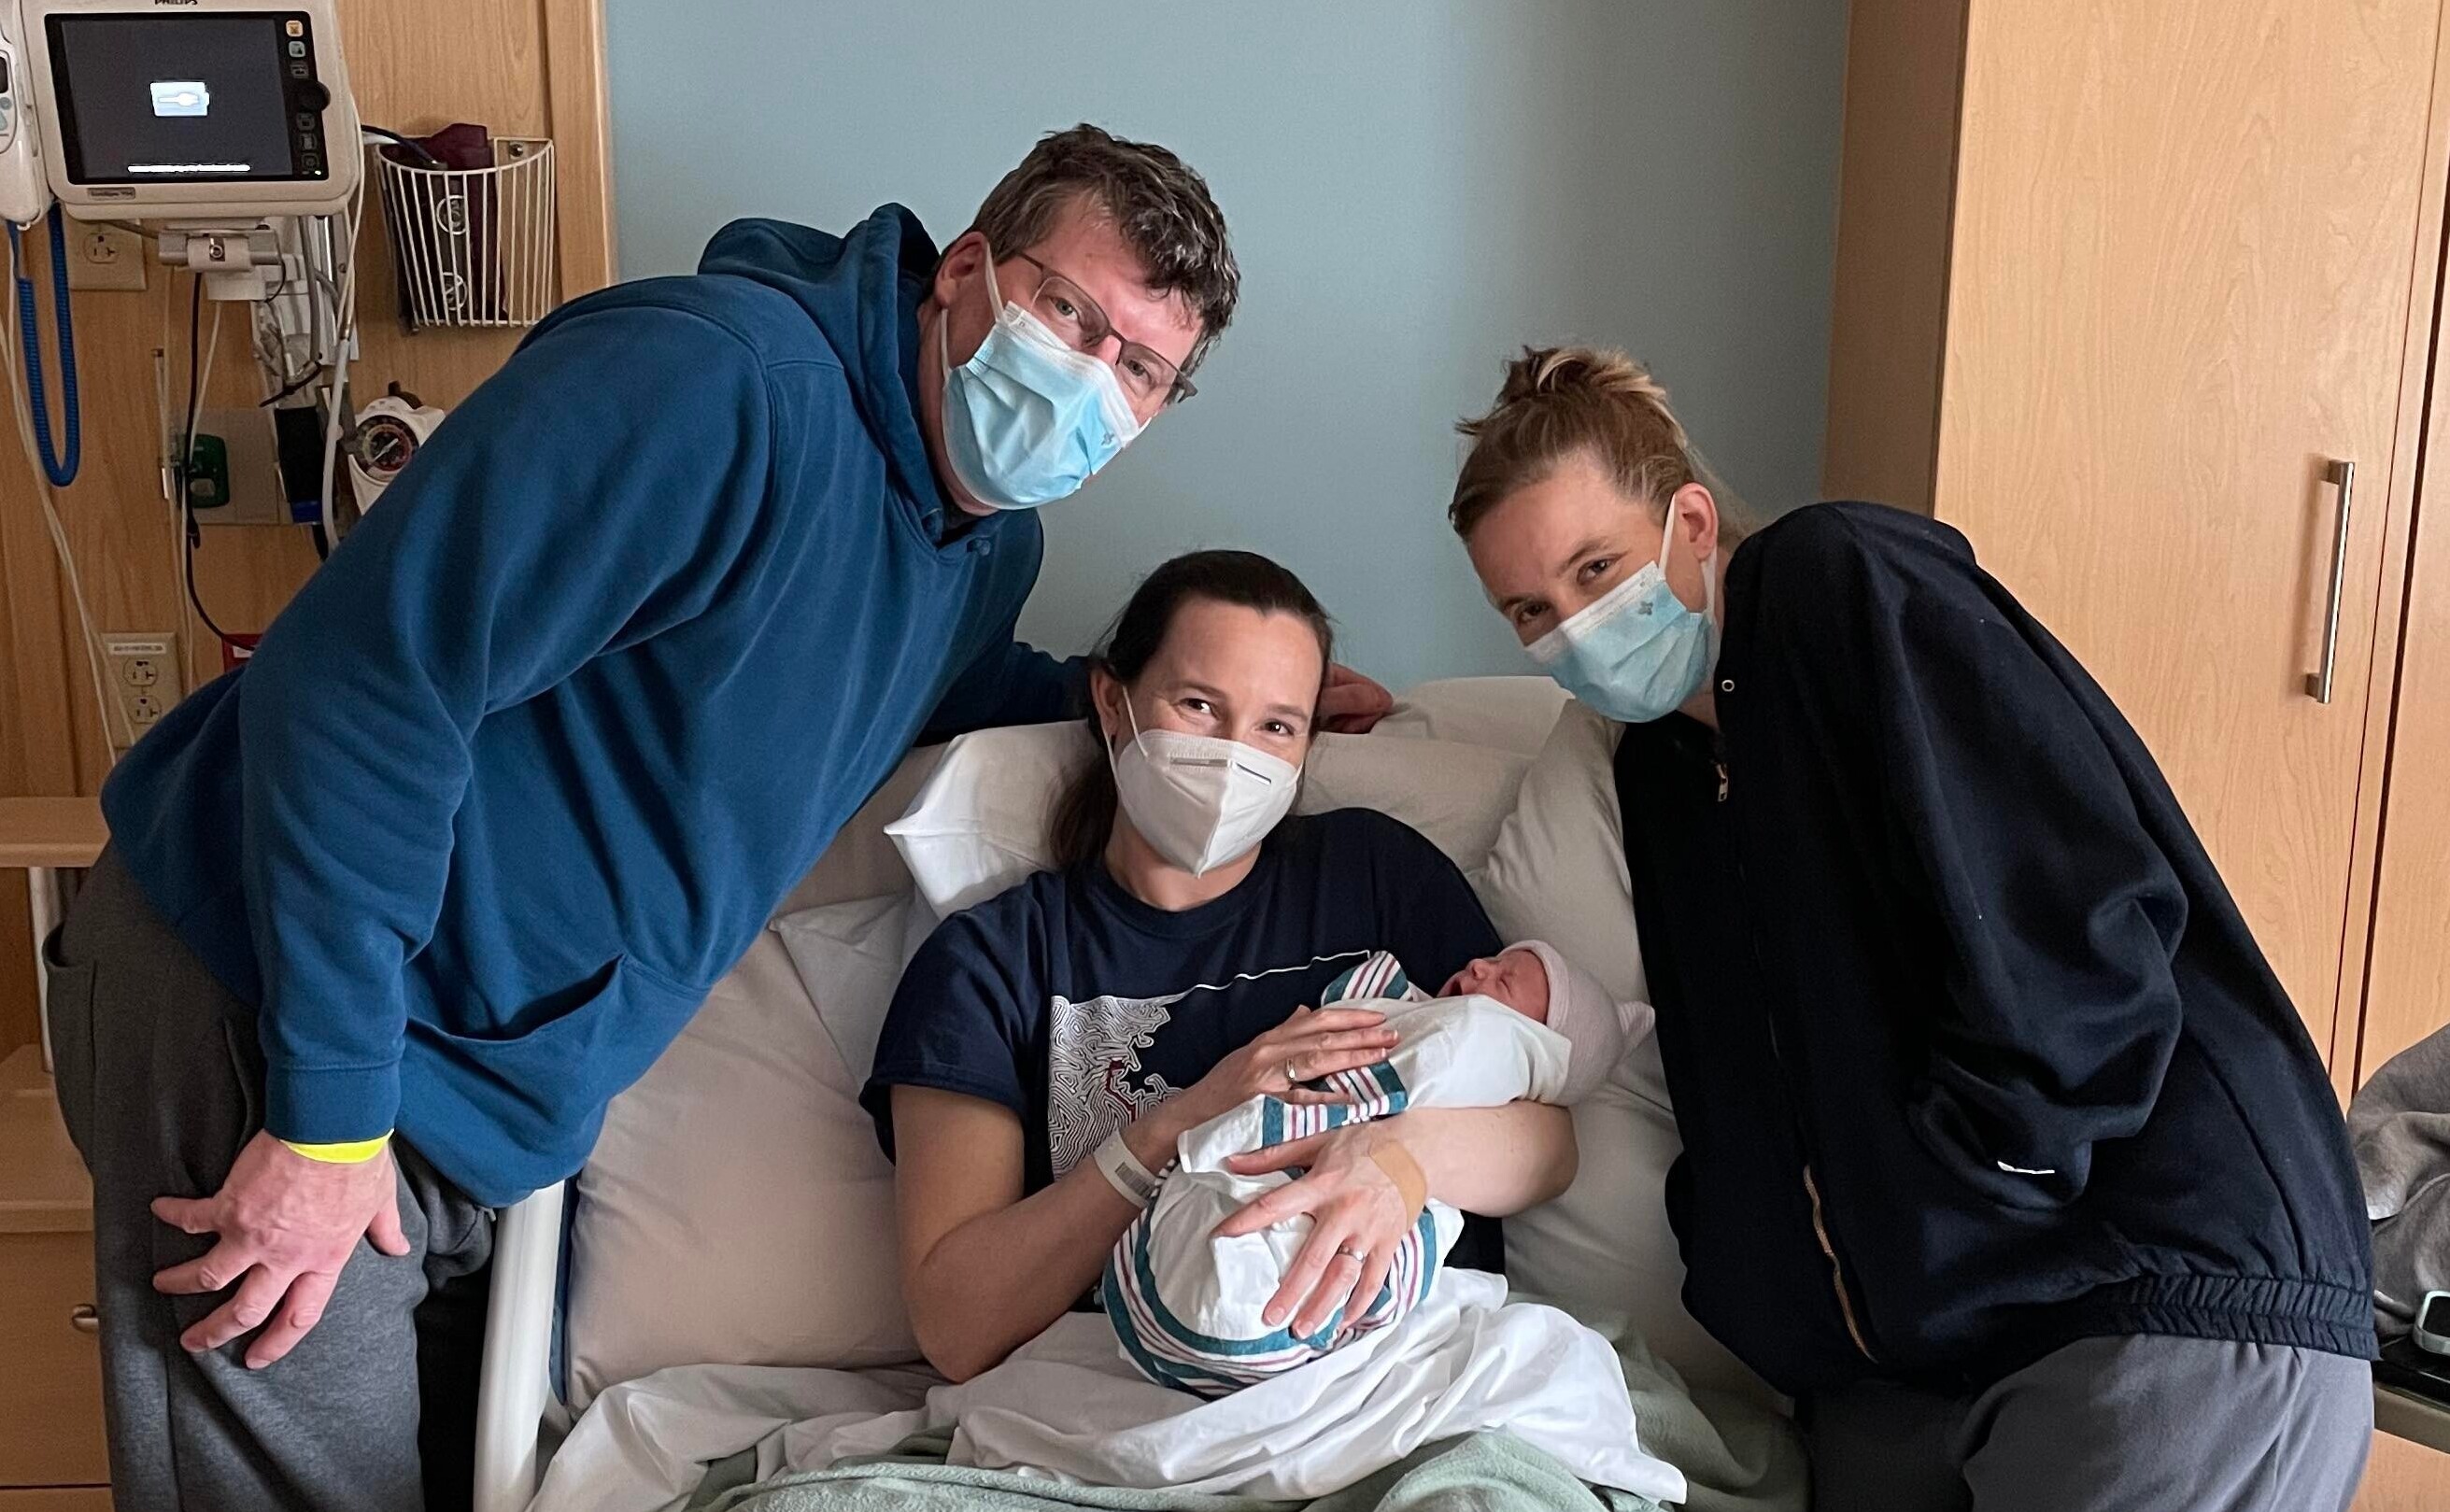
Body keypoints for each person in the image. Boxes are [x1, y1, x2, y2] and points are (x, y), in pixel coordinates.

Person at [44, 125, 1393, 1512]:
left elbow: (914, 669)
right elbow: (361, 679)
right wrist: (326, 1115)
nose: (1090, 384)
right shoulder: (715, 388)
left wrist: (1180, 705)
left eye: (1140, 370)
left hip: (471, 1097)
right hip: (276, 1007)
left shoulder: (981, 537)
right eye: (1069, 315)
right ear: (969, 272)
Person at [1444, 346, 2376, 1511]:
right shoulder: (1668, 779)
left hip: (2146, 1292)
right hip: (1906, 1365)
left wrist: (1980, 1174)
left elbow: (2069, 916)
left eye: (1597, 568)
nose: (1574, 629)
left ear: (1690, 520)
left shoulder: (1835, 580)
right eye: (1530, 607)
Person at [865, 549, 1577, 1387]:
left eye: (1276, 725)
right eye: (1199, 705)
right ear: (1111, 702)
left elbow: (1549, 1144)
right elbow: (956, 1325)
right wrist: (1180, 1120)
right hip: (1128, 1399)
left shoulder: (1376, 877)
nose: (1236, 755)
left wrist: (1402, 1154)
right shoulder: (993, 965)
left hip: (1403, 1379)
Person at [1104, 939, 1640, 1396]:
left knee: (1306, 1271)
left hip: (1365, 1210)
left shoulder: (1486, 1034)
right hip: (1205, 1215)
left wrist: (1387, 1144)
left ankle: (1225, 1321)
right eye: (1493, 960)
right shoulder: (1417, 1003)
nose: (1481, 967)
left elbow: (1485, 1075)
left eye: (1505, 982)